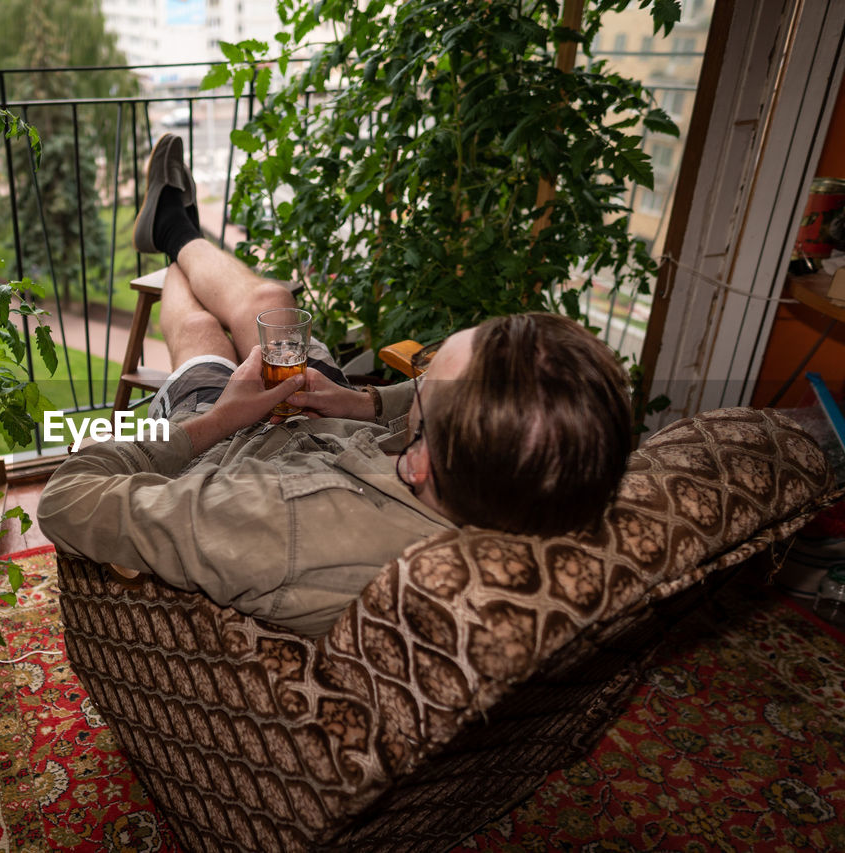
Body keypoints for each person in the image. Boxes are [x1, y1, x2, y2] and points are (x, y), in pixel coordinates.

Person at [37, 134, 633, 636]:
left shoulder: (280, 527)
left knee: (201, 334)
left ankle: (172, 233)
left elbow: (65, 502)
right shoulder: (490, 479)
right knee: (272, 302)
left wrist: (220, 419)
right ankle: (175, 230)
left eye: (424, 381)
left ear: (423, 459)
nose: (416, 383)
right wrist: (367, 402)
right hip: (331, 431)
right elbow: (444, 421)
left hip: (229, 447)